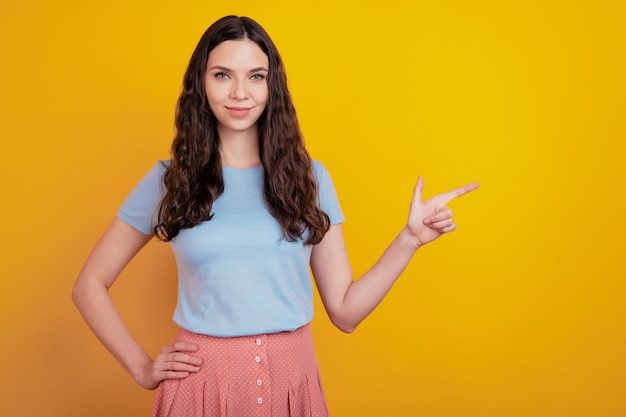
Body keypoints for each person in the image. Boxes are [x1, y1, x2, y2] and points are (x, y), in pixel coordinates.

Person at [72, 15, 478, 417]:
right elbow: (89, 284)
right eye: (222, 75)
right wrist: (142, 367)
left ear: (272, 86)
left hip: (293, 382)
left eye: (255, 76)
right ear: (201, 83)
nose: (239, 92)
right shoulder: (169, 181)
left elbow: (346, 312)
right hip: (201, 387)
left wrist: (409, 239)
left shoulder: (310, 179)